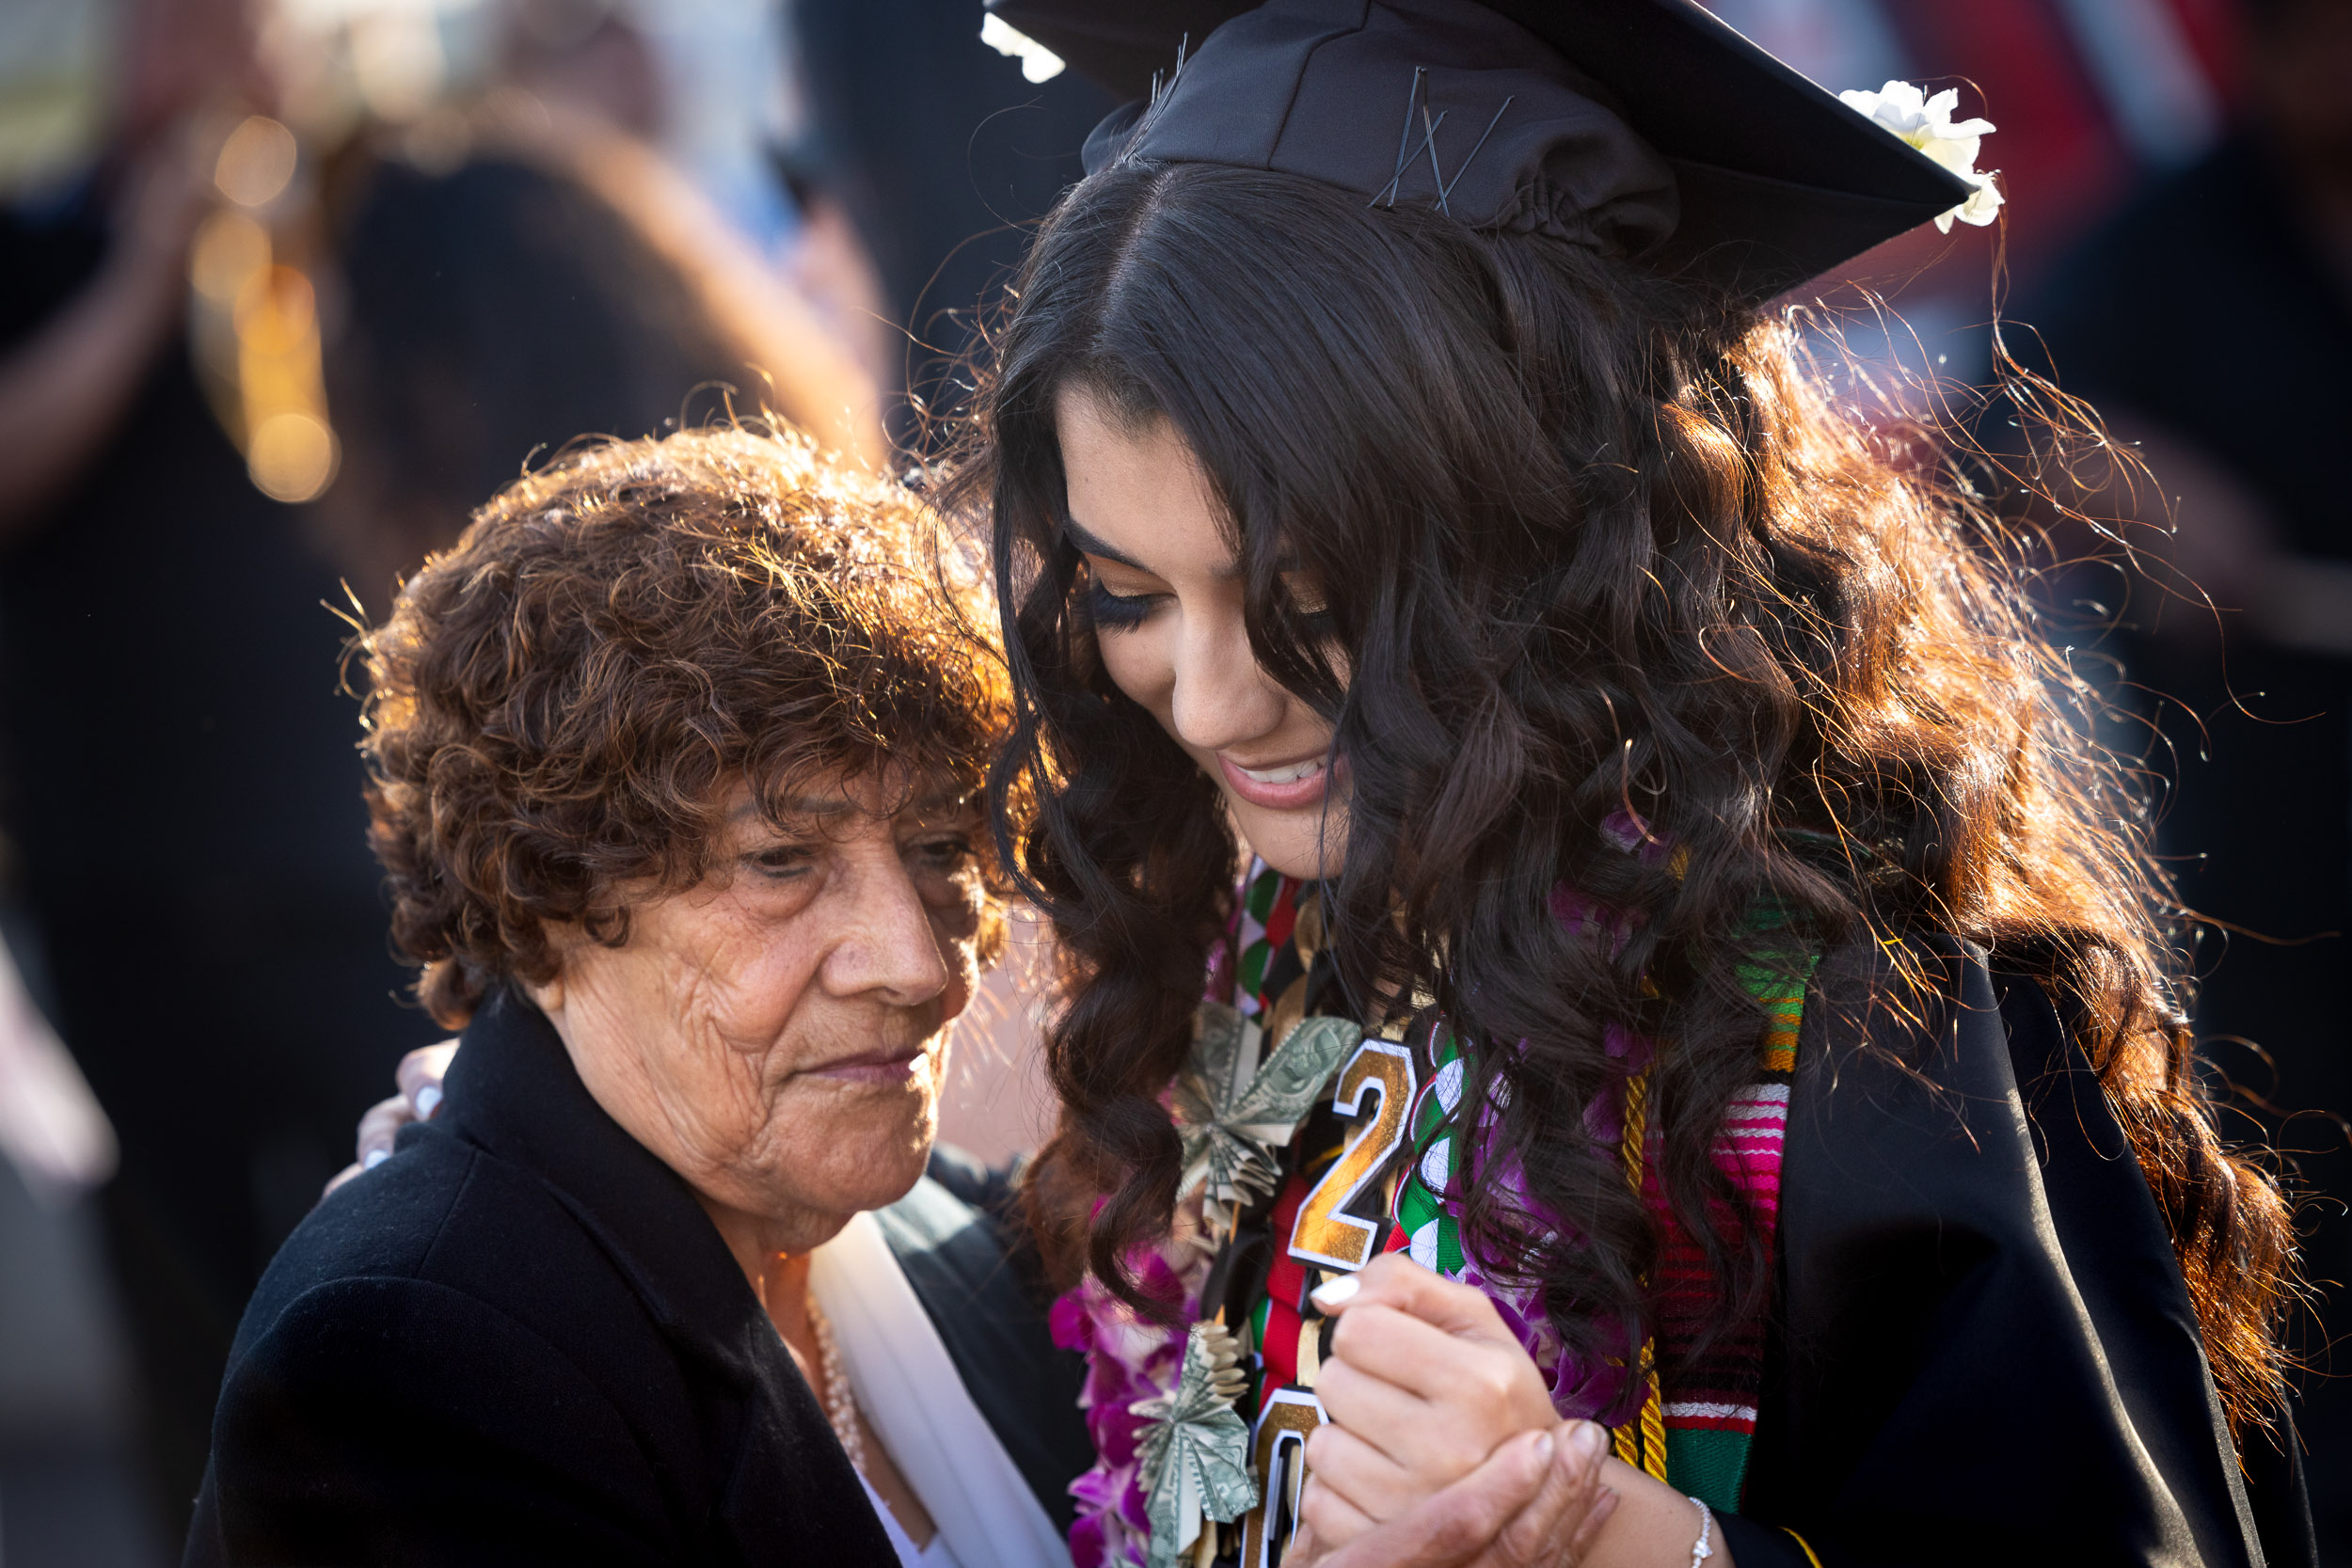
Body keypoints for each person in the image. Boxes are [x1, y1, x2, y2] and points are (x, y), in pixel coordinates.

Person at [941, 1, 2316, 1565]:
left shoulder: (1873, 1021)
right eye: (1128, 596)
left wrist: (1613, 1539)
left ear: (1547, 536)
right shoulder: (1223, 948)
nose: (1205, 697)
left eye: (1308, 604)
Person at [187, 426, 1093, 1566]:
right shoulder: (414, 1356)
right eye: (781, 862)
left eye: (934, 847)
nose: (914, 962)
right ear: (543, 897)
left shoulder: (971, 1239)